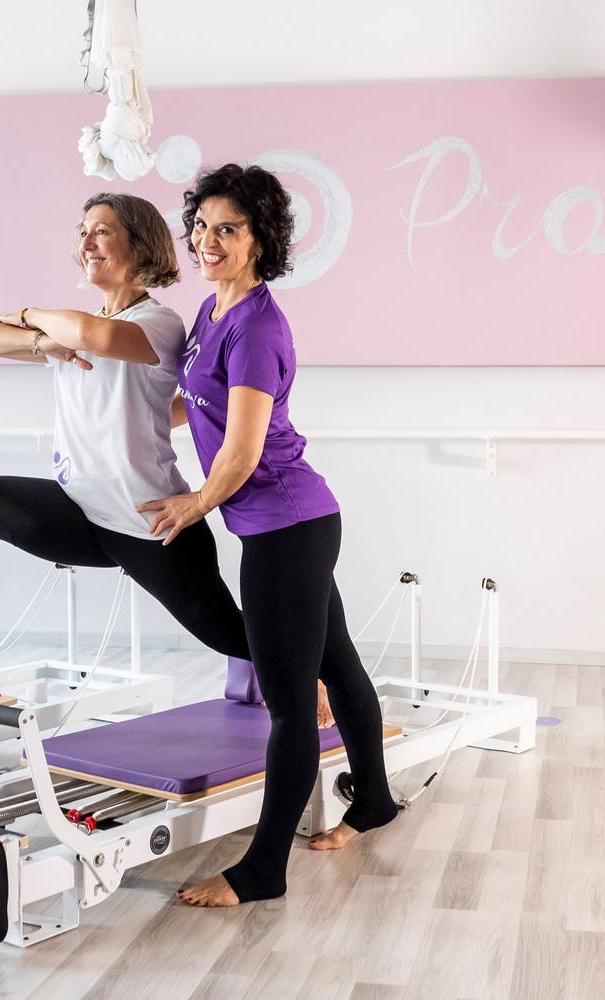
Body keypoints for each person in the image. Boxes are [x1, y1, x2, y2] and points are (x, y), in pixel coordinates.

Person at [0, 193, 256, 697]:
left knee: (227, 632)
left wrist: (31, 315)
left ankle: (308, 674)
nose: (86, 242)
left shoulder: (157, 325)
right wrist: (40, 343)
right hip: (80, 511)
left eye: (102, 231)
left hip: (147, 520)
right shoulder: (66, 333)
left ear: (139, 246)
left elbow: (95, 335)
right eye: (83, 231)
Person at [137, 165, 399, 907]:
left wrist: (193, 504)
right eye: (202, 226)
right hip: (291, 523)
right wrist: (122, 426)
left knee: (289, 705)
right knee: (338, 665)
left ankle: (262, 871)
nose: (207, 240)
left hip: (286, 526)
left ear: (261, 240)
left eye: (228, 228)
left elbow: (243, 452)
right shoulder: (213, 308)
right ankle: (375, 801)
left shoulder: (256, 327)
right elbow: (198, 402)